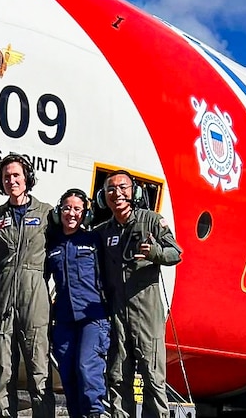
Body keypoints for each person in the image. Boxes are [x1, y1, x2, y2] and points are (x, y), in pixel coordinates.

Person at [95, 171, 182, 418]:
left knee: (152, 376)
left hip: (146, 312)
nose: (117, 194)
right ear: (104, 197)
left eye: (123, 187)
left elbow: (175, 253)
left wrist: (155, 252)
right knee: (117, 376)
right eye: (111, 190)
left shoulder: (152, 221)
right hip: (117, 313)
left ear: (135, 192)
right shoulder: (103, 232)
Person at [0, 154, 53, 418]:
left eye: (16, 175)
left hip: (35, 299)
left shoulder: (47, 214)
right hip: (1, 298)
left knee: (39, 373)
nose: (11, 180)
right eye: (6, 177)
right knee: (2, 374)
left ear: (28, 178)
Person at [45, 189, 110, 418]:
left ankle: (95, 414)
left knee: (87, 369)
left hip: (93, 317)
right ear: (58, 211)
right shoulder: (51, 244)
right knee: (68, 375)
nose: (71, 214)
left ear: (86, 214)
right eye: (67, 208)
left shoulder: (94, 241)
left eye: (77, 209)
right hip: (64, 319)